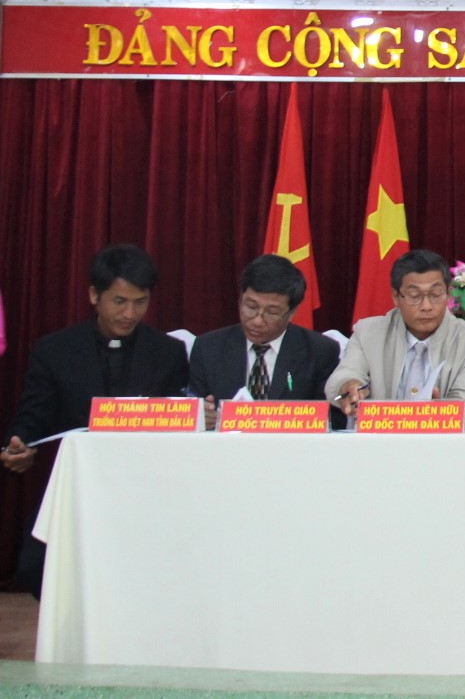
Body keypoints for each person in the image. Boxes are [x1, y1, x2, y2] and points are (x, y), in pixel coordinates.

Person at [3, 244, 189, 598]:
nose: (130, 313)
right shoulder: (54, 350)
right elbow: (33, 415)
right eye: (119, 301)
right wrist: (19, 442)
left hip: (146, 493)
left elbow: (178, 422)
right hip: (79, 489)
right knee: (38, 569)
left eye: (141, 301)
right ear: (94, 295)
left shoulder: (167, 351)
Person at [326, 249, 465, 421]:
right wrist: (347, 386)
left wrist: (440, 411)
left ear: (448, 294)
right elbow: (343, 376)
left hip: (440, 443)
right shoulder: (368, 332)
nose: (426, 306)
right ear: (396, 297)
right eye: (415, 296)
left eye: (435, 295)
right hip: (377, 441)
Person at [188, 254, 341, 427]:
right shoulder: (208, 348)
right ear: (240, 298)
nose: (257, 320)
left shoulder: (320, 352)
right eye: (251, 307)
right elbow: (191, 409)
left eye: (272, 312)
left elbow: (332, 419)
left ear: (292, 313)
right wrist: (200, 417)